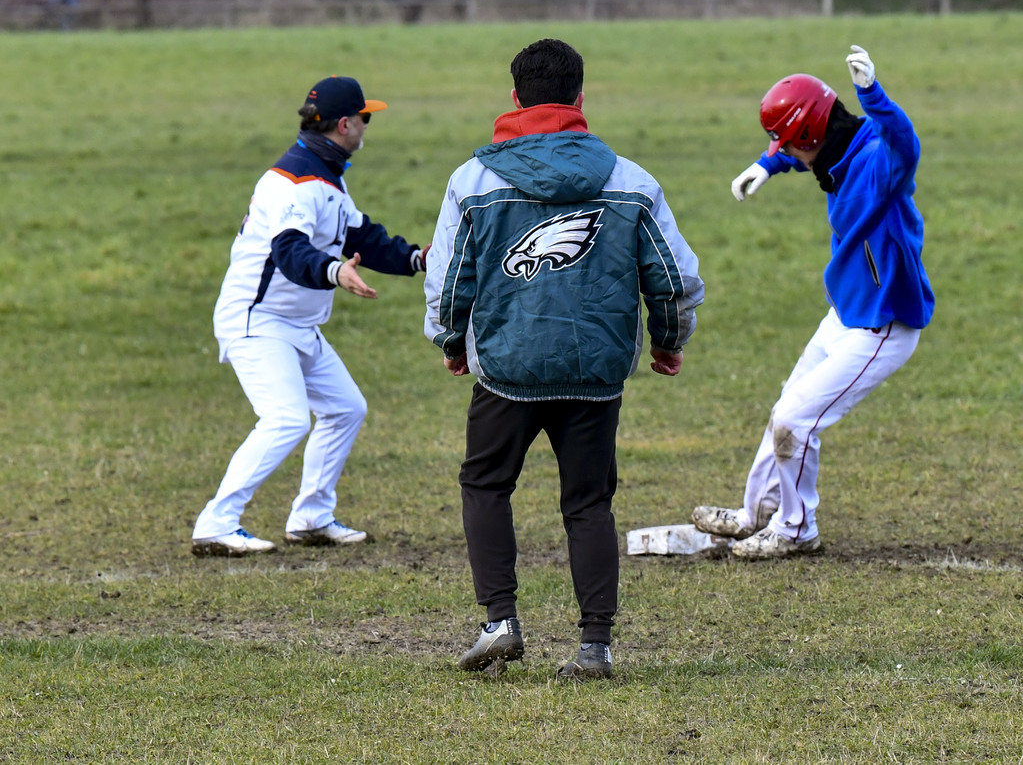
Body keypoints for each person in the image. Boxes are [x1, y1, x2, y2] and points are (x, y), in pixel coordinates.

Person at [424, 38, 703, 678]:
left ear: (515, 99)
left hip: (505, 367)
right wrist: (668, 341)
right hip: (594, 371)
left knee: (486, 484)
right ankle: (595, 645)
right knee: (588, 503)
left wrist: (451, 341)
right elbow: (672, 277)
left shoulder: (472, 181)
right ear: (580, 99)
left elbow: (448, 279)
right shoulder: (630, 180)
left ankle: (499, 621)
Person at [691, 44, 934, 559]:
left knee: (794, 421)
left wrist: (873, 94)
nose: (785, 149)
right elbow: (805, 153)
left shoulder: (877, 162)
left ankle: (797, 529)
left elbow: (905, 145)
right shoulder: (835, 150)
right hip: (845, 312)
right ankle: (756, 513)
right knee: (784, 408)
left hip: (881, 325)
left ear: (808, 135)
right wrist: (767, 164)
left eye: (786, 141)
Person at [194, 77, 429, 555]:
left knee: (346, 408)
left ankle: (311, 517)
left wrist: (417, 259)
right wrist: (334, 273)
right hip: (258, 320)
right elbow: (289, 251)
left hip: (295, 324)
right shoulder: (296, 183)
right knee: (285, 418)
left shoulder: (327, 177)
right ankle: (216, 523)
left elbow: (361, 236)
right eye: (365, 117)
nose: (367, 124)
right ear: (344, 124)